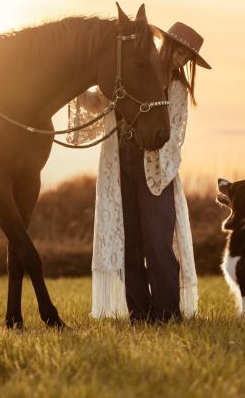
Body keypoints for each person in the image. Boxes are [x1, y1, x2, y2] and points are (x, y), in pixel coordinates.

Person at [71, 21, 211, 322]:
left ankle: (167, 314)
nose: (183, 60)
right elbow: (100, 103)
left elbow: (174, 135)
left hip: (156, 170)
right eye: (181, 52)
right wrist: (78, 84)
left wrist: (152, 146)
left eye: (188, 57)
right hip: (121, 163)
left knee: (158, 243)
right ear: (167, 46)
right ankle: (140, 314)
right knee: (130, 243)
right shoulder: (132, 73)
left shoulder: (176, 87)